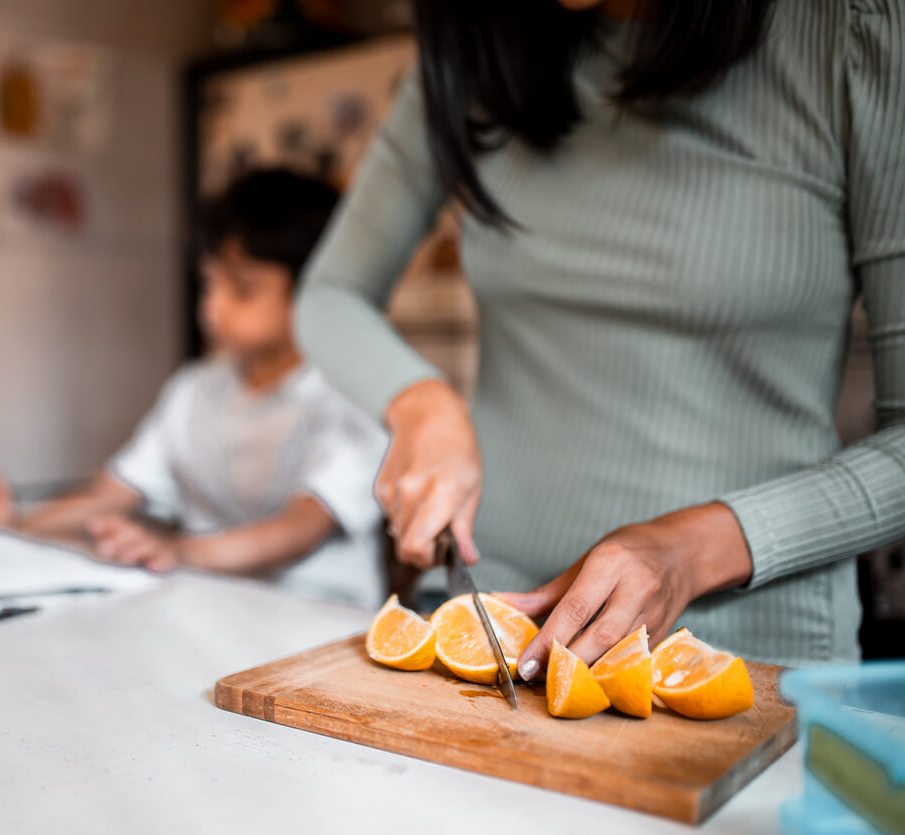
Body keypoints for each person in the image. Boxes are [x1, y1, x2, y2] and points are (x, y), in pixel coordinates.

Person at [294, 0, 905, 670]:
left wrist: (691, 549)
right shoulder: (475, 50)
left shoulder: (854, 28)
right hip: (490, 625)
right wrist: (419, 401)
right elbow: (330, 293)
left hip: (746, 662)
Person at [0, 169, 389, 607]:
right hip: (211, 614)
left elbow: (301, 529)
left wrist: (180, 552)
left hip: (322, 628)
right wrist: (14, 522)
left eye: (242, 290)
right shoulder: (194, 390)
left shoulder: (352, 397)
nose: (213, 307)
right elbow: (109, 497)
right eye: (209, 283)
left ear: (317, 293)